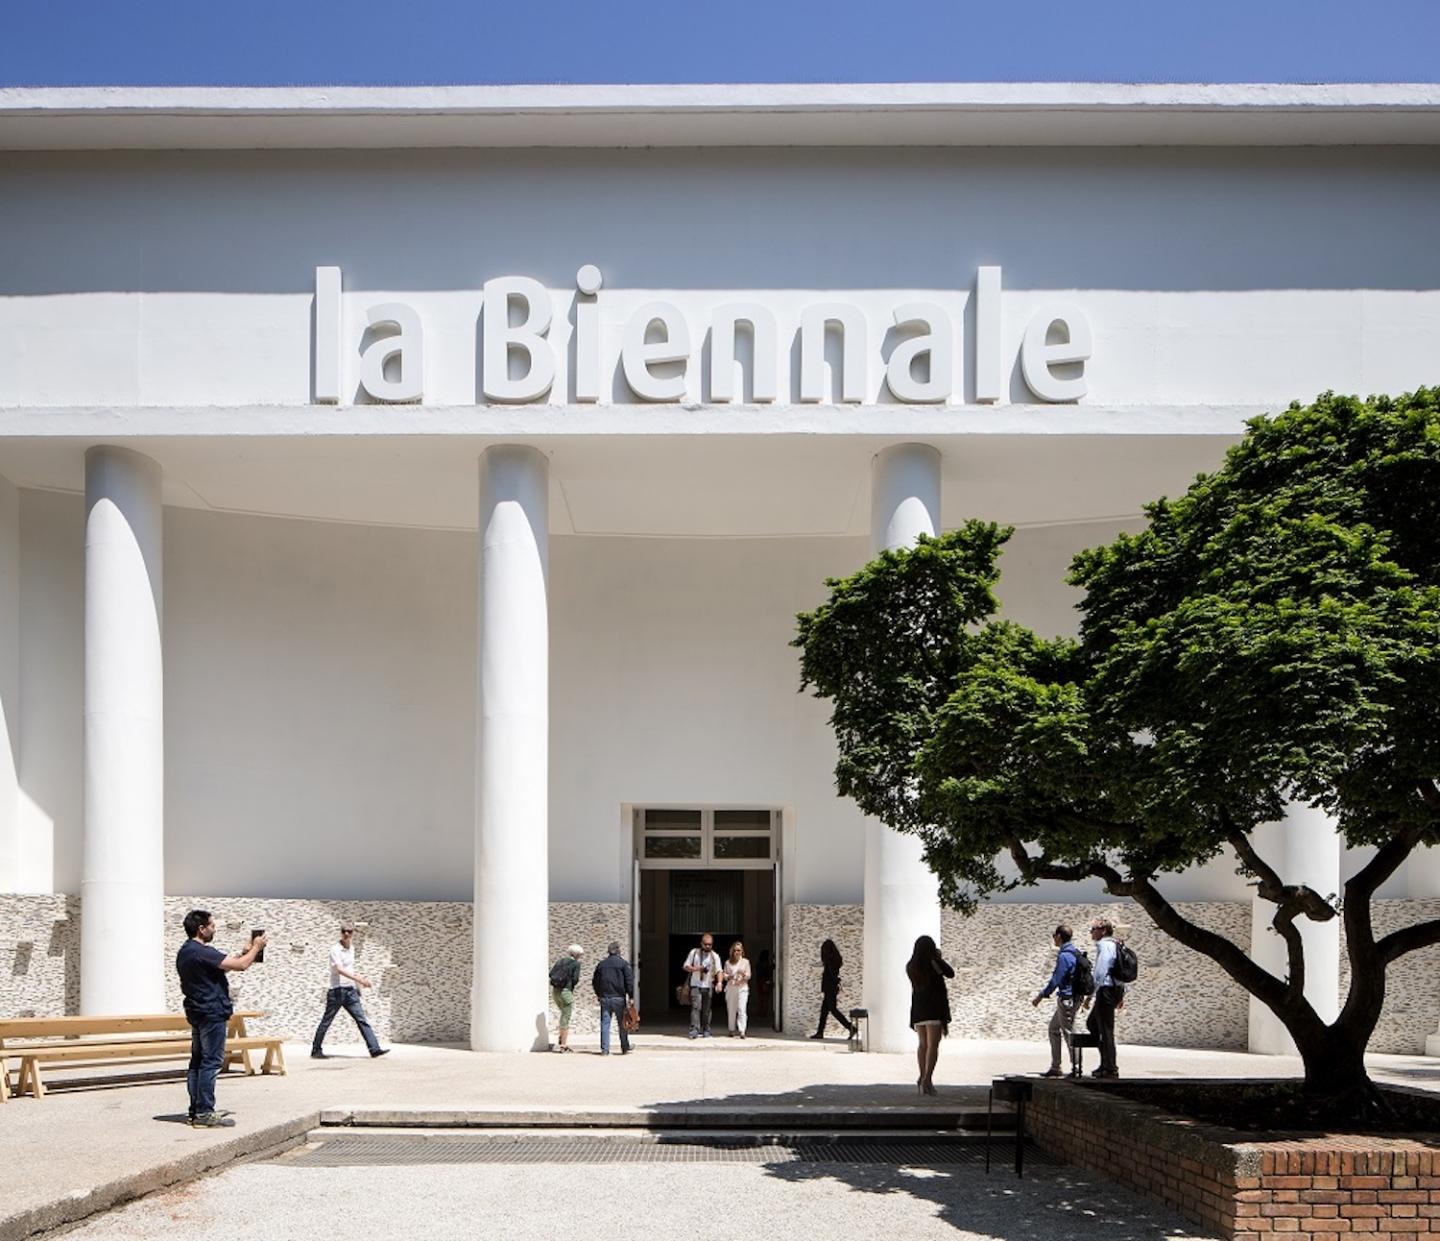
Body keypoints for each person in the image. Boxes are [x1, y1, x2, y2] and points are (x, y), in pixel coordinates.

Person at [175, 909, 267, 1128]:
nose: (214, 929)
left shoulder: (186, 951)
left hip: (197, 1012)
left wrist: (244, 952)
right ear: (202, 928)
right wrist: (256, 948)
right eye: (212, 925)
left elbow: (222, 968)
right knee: (211, 1062)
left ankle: (196, 1111)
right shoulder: (201, 950)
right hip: (212, 1012)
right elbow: (242, 966)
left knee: (198, 1062)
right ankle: (205, 1112)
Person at [311, 922, 389, 1059]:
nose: (346, 934)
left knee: (362, 1020)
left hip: (350, 991)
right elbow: (340, 970)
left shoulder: (352, 949)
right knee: (326, 1021)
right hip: (337, 992)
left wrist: (357, 986)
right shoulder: (335, 949)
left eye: (349, 931)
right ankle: (316, 1050)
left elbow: (350, 970)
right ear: (340, 932)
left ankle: (374, 1049)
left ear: (353, 933)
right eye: (344, 931)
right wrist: (360, 980)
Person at [906, 934, 954, 1096]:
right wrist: (938, 958)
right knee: (933, 1046)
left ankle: (922, 1076)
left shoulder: (911, 966)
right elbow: (950, 973)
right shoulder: (933, 963)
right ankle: (928, 1080)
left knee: (922, 1045)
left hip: (918, 1009)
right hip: (933, 1008)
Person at [1031, 923, 1081, 1077]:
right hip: (1073, 998)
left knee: (1068, 1032)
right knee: (1054, 1028)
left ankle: (1076, 1067)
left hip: (1067, 999)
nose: (1053, 938)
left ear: (1059, 936)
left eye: (1054, 935)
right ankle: (1055, 1066)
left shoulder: (1065, 955)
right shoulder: (1075, 953)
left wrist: (1041, 995)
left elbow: (1056, 979)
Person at [1085, 917, 1124, 1078]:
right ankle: (1105, 1063)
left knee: (1106, 1030)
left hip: (1106, 990)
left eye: (1093, 929)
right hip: (1113, 990)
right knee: (1093, 1024)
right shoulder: (1115, 945)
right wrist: (1121, 994)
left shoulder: (1104, 945)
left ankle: (1110, 1067)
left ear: (1103, 930)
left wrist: (1090, 994)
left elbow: (1101, 971)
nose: (1091, 932)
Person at [592, 940, 634, 1055]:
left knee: (605, 1023)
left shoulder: (601, 964)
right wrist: (631, 996)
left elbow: (595, 981)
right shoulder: (623, 964)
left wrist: (598, 994)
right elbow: (629, 981)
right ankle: (625, 1047)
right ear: (618, 951)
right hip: (619, 998)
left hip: (605, 998)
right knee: (622, 1023)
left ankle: (605, 1049)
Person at [810, 938, 856, 1040]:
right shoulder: (836, 959)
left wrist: (833, 981)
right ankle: (820, 1032)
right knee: (824, 1011)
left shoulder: (829, 961)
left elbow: (830, 975)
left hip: (830, 988)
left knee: (833, 1010)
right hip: (831, 988)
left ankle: (850, 1027)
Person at [683, 932, 722, 1039]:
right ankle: (694, 1029)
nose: (708, 946)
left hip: (708, 985)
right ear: (701, 943)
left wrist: (719, 982)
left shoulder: (715, 956)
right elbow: (685, 966)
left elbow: (719, 970)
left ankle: (706, 1029)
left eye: (710, 944)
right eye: (706, 944)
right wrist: (697, 968)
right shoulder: (694, 953)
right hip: (696, 984)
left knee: (707, 1009)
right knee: (696, 1007)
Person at [549, 943, 584, 1053]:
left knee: (563, 1015)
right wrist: (570, 987)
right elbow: (575, 979)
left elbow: (551, 974)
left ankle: (561, 1038)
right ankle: (563, 1045)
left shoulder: (560, 961)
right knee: (565, 1018)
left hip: (555, 992)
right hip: (566, 992)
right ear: (577, 954)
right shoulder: (576, 964)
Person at [721, 940, 752, 1038]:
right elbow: (724, 974)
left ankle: (742, 1030)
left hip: (742, 988)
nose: (737, 952)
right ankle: (731, 1029)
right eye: (735, 950)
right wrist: (728, 976)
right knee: (731, 1009)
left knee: (742, 1009)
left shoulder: (746, 962)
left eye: (739, 950)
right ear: (732, 951)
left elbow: (749, 975)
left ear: (742, 951)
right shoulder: (728, 962)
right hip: (731, 988)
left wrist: (743, 974)